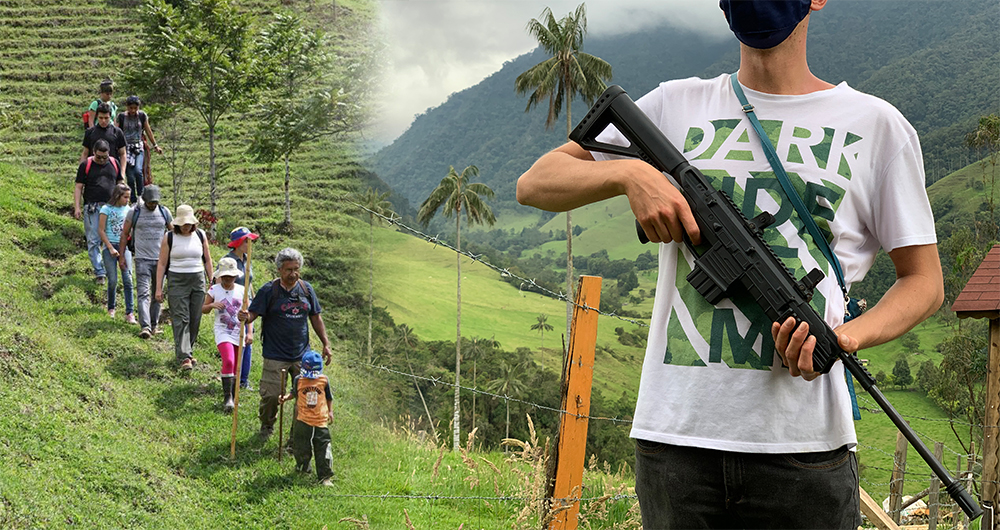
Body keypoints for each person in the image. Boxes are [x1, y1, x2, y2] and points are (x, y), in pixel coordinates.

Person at [516, 1, 943, 528]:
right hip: (677, 442)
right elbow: (536, 183)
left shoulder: (879, 127)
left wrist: (845, 338)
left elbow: (924, 282)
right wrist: (630, 176)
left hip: (804, 449)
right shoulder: (675, 104)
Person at [238, 247, 332, 440]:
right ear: (279, 270)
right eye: (289, 270)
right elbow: (254, 313)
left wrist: (326, 344)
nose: (293, 274)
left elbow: (315, 317)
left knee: (304, 398)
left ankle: (295, 438)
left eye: (296, 269)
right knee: (271, 396)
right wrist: (246, 317)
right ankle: (267, 425)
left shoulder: (306, 289)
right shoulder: (269, 290)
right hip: (274, 354)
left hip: (301, 356)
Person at [155, 204, 213, 371]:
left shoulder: (200, 235)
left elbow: (207, 260)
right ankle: (184, 356)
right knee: (181, 318)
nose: (187, 226)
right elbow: (162, 264)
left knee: (195, 318)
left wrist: (211, 280)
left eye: (189, 223)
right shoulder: (169, 237)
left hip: (197, 280)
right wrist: (159, 288)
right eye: (184, 223)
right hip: (177, 280)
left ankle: (187, 350)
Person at [119, 185, 172, 339]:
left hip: (161, 260)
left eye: (154, 203)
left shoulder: (164, 212)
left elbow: (173, 233)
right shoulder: (134, 212)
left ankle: (154, 325)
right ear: (144, 200)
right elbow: (124, 234)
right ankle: (145, 327)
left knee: (158, 294)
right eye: (149, 203)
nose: (152, 205)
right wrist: (122, 256)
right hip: (142, 259)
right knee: (143, 293)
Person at [203, 257, 252, 412]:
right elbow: (202, 309)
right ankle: (227, 398)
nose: (227, 280)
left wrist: (250, 332)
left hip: (239, 332)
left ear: (236, 276)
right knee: (229, 361)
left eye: (230, 277)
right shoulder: (214, 290)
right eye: (224, 277)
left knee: (237, 366)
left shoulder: (242, 290)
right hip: (223, 331)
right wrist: (211, 305)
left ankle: (233, 395)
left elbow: (249, 313)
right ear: (220, 276)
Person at [278, 349, 334, 486]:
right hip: (303, 421)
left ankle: (325, 476)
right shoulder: (299, 380)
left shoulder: (323, 380)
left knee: (323, 448)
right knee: (301, 446)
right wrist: (285, 398)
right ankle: (303, 467)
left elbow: (329, 398)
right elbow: (293, 393)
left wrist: (331, 412)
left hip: (320, 422)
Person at [74, 139, 124, 283]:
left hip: (112, 207)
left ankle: (111, 269)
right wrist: (77, 207)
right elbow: (78, 187)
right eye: (99, 157)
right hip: (92, 207)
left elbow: (120, 183)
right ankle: (100, 271)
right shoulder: (86, 165)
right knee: (93, 240)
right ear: (93, 153)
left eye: (105, 157)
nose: (102, 160)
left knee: (112, 238)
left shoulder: (114, 163)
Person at [222, 226, 259, 390]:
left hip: (248, 303)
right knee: (236, 341)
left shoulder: (247, 259)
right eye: (246, 240)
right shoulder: (227, 261)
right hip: (233, 306)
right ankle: (234, 378)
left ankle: (244, 380)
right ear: (238, 243)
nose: (249, 243)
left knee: (248, 340)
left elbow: (249, 282)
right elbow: (220, 283)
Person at [98, 182, 135, 322]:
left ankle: (129, 312)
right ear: (118, 196)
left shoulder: (129, 210)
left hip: (124, 246)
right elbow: (101, 230)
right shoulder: (106, 209)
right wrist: (109, 247)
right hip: (110, 246)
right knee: (112, 280)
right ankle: (111, 308)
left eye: (129, 197)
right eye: (125, 197)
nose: (127, 200)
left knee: (128, 279)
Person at [116, 96, 163, 204]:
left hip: (138, 147)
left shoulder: (142, 116)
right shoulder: (122, 117)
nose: (133, 110)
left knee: (138, 171)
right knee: (130, 177)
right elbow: (116, 131)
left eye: (135, 108)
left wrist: (155, 145)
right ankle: (133, 200)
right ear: (127, 107)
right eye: (130, 108)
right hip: (125, 149)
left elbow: (148, 130)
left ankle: (141, 197)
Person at [81, 102, 127, 179]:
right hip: (93, 171)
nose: (103, 121)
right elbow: (85, 154)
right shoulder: (90, 132)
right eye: (101, 118)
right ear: (97, 117)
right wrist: (81, 172)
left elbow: (123, 154)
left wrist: (122, 173)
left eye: (106, 118)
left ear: (110, 117)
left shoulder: (117, 132)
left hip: (112, 171)